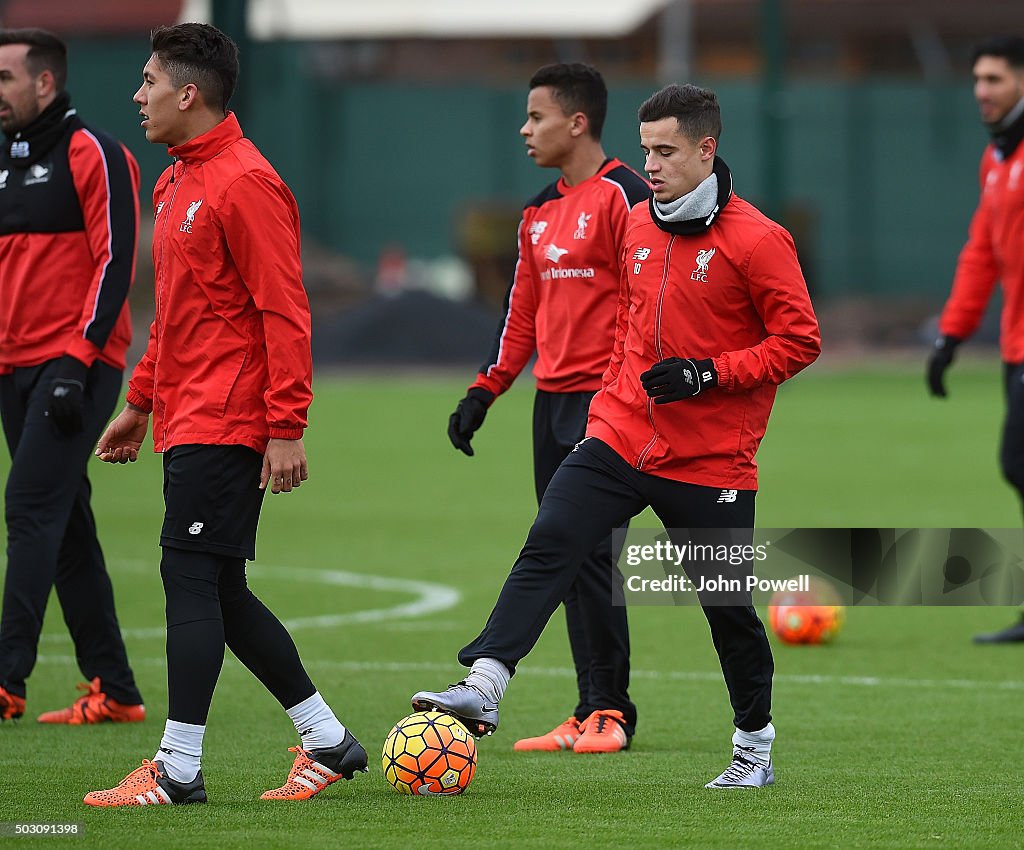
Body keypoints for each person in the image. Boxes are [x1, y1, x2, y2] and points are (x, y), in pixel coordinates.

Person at [414, 83, 820, 788]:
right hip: (619, 434)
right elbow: (628, 329)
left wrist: (708, 375)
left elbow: (800, 341)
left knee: (728, 612)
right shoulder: (636, 224)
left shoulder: (759, 239)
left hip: (712, 459)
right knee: (553, 539)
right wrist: (609, 402)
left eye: (666, 151)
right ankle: (485, 684)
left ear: (707, 148)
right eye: (646, 150)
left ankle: (753, 748)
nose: (652, 165)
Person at [82, 23, 367, 807]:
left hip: (229, 418)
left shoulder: (245, 181)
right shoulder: (176, 181)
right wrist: (140, 401)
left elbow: (286, 310)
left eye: (147, 81)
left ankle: (177, 768)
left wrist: (286, 424)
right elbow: (175, 316)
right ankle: (329, 741)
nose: (136, 96)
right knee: (220, 587)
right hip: (187, 413)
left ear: (188, 93)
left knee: (188, 576)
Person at [447, 63, 649, 754]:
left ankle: (609, 712)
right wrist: (486, 388)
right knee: (568, 556)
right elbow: (521, 313)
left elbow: (644, 303)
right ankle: (593, 707)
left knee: (589, 551)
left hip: (610, 403)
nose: (525, 129)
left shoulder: (628, 196)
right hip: (552, 403)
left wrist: (621, 387)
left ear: (578, 121)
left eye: (536, 117)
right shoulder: (537, 211)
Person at [0, 29, 145, 724]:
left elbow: (117, 262)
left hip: (74, 367)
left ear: (45, 84)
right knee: (66, 522)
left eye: (4, 78)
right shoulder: (3, 156)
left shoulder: (97, 153)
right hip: (11, 366)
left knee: (29, 506)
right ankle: (115, 688)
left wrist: (78, 360)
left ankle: (7, 680)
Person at [926, 36, 1024, 644]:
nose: (980, 92)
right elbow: (982, 252)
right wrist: (952, 335)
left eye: (993, 79)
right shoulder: (998, 159)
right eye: (977, 80)